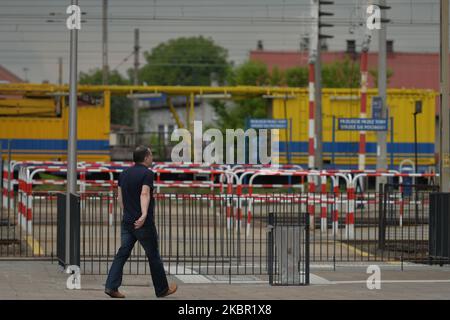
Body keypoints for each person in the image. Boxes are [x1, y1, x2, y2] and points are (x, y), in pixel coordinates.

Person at [104, 146, 177, 298]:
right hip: (143, 223)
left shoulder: (123, 174)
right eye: (151, 155)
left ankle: (111, 286)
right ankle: (162, 289)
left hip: (127, 221)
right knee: (153, 255)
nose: (152, 158)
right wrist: (143, 214)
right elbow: (144, 193)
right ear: (145, 158)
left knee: (122, 253)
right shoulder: (147, 174)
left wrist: (127, 212)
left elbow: (120, 197)